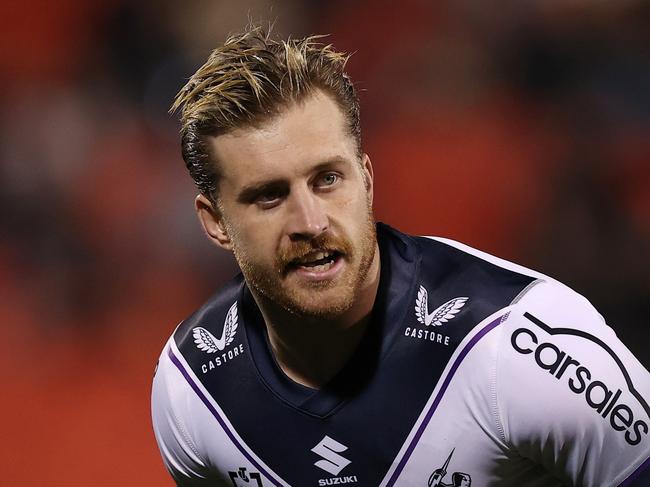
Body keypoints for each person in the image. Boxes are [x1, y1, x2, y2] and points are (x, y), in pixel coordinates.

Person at [151, 25, 650, 486]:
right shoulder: (193, 393)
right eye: (269, 196)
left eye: (328, 179)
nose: (310, 222)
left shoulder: (515, 344)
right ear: (215, 223)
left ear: (366, 180)